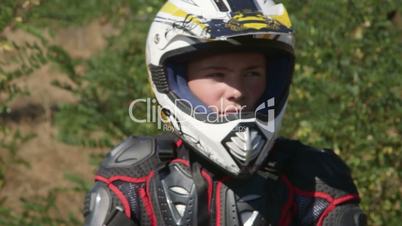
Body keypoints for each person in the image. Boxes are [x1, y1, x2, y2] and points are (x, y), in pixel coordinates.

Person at [83, 1, 367, 225]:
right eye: (217, 74)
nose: (237, 91)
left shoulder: (314, 179)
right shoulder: (135, 177)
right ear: (174, 81)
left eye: (253, 73)